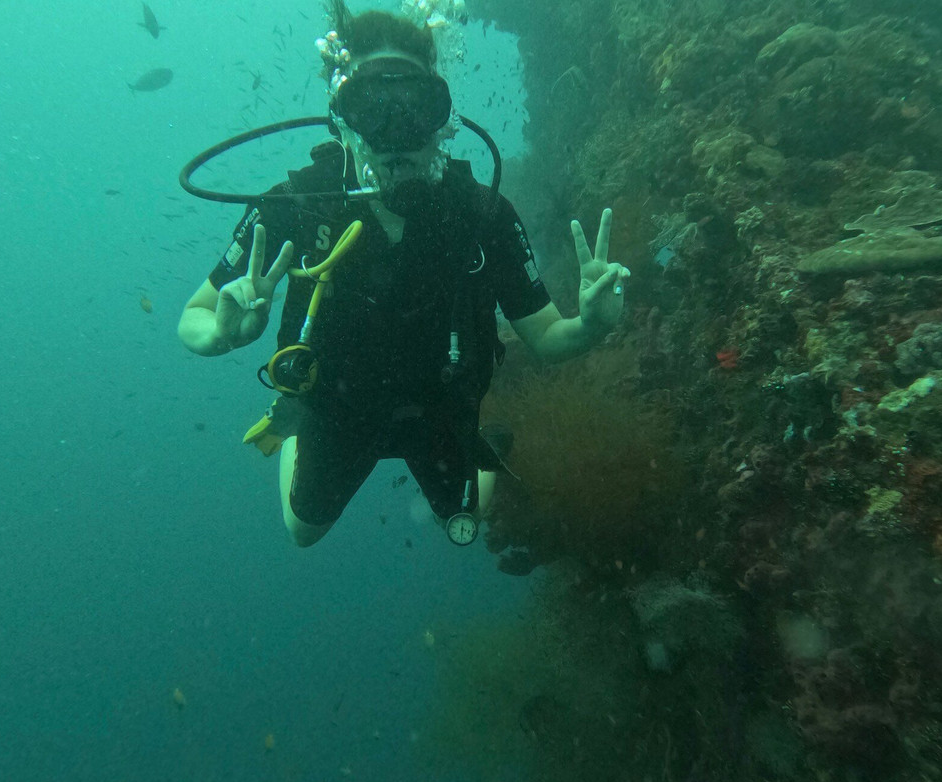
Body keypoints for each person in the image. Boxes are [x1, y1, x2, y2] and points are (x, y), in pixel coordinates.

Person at [177, 2, 629, 548]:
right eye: (372, 105)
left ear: (443, 118)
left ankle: (483, 448)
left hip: (440, 407)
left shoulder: (482, 215)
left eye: (417, 104)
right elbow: (194, 316)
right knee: (303, 531)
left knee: (466, 522)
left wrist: (591, 325)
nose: (398, 131)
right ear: (342, 117)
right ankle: (291, 422)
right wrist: (222, 333)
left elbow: (548, 335)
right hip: (337, 409)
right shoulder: (292, 208)